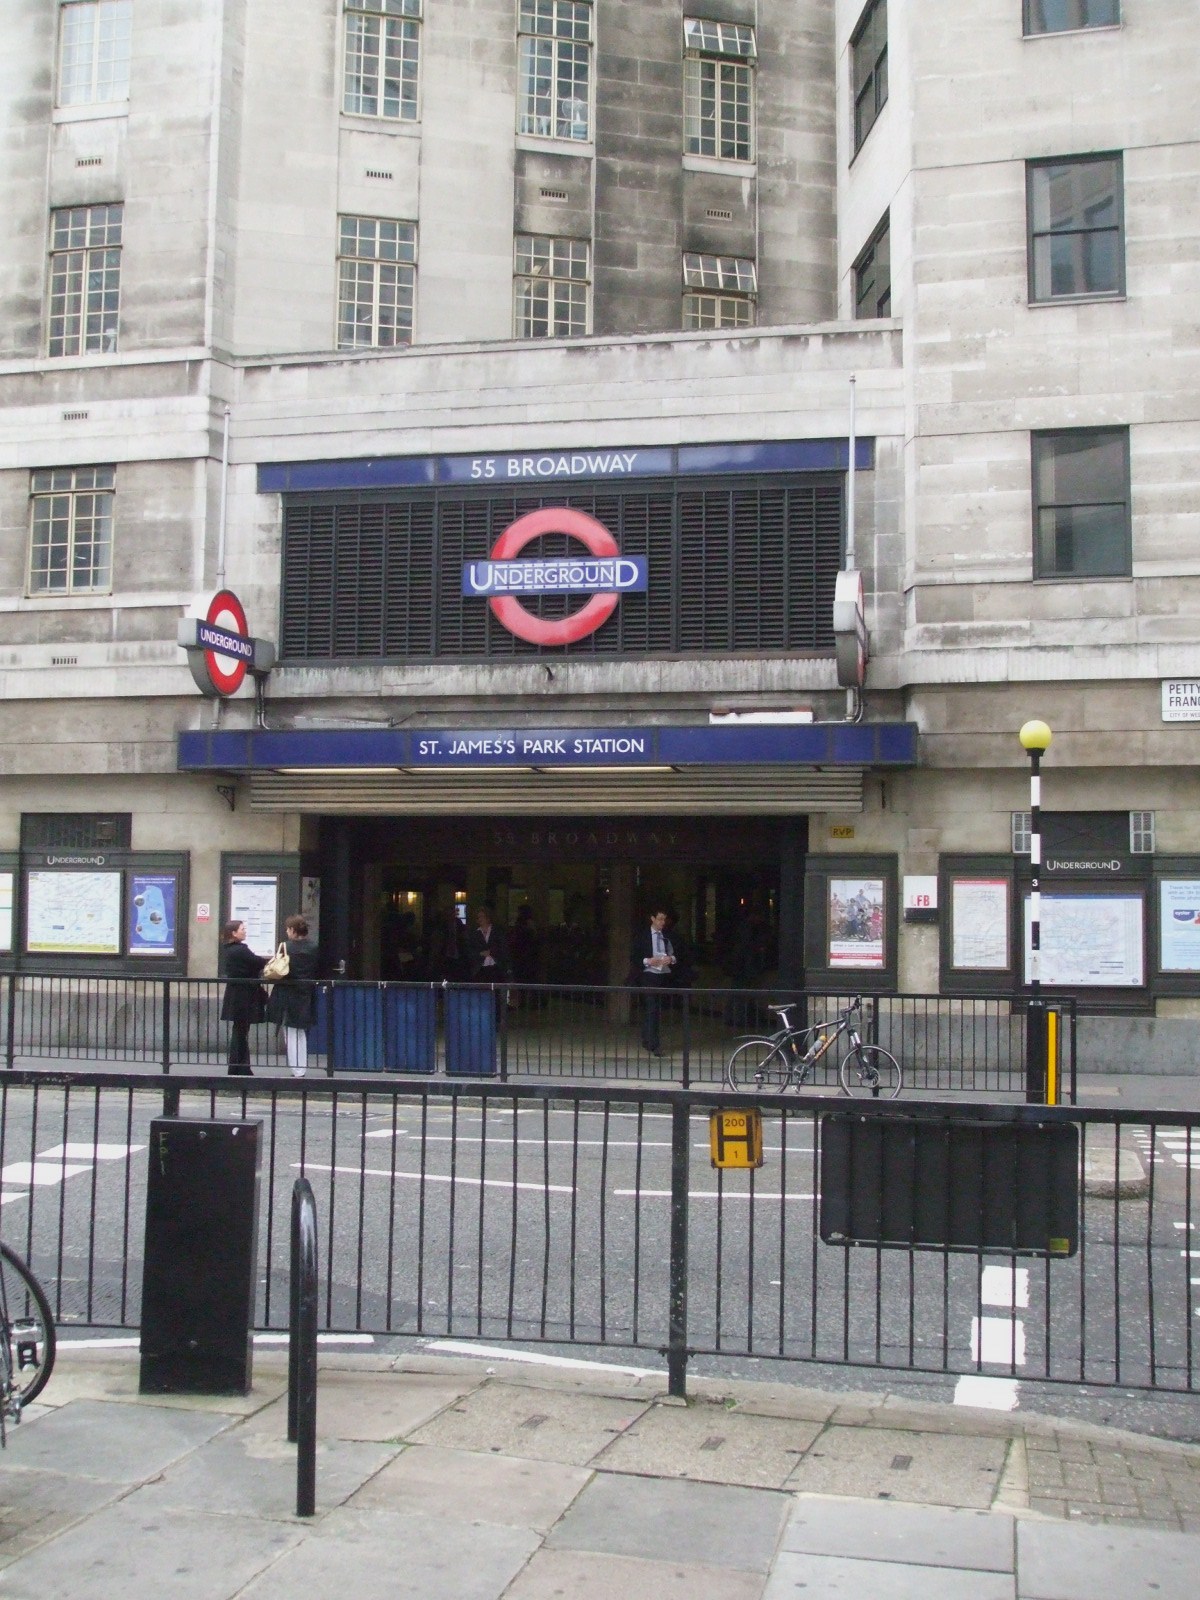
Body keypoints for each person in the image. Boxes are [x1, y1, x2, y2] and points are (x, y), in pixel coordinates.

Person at [266, 913, 320, 1077]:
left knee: (290, 1032)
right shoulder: (313, 947)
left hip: (288, 992)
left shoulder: (286, 947)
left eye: (288, 929)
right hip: (305, 992)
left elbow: (280, 970)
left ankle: (296, 1069)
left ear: (292, 930)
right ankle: (300, 1068)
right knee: (301, 1032)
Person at [219, 919, 268, 1076]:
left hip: (236, 994)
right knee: (241, 1031)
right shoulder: (240, 950)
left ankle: (238, 1065)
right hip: (244, 995)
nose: (245, 931)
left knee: (239, 1030)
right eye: (242, 929)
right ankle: (240, 1066)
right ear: (234, 933)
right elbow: (257, 962)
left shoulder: (228, 950)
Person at [629, 908, 676, 1056]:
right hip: (648, 974)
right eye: (660, 919)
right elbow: (634, 956)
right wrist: (648, 960)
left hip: (663, 974)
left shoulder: (668, 936)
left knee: (655, 1008)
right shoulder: (642, 936)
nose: (662, 922)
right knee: (652, 1007)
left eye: (664, 919)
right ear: (652, 919)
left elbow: (676, 954)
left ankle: (647, 1038)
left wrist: (671, 959)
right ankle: (653, 1043)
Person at [467, 903, 510, 982]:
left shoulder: (497, 932)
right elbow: (470, 951)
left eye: (482, 916)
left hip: (496, 968)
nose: (480, 919)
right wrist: (480, 954)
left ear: (488, 918)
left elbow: (503, 948)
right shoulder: (474, 934)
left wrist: (491, 952)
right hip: (480, 969)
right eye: (478, 917)